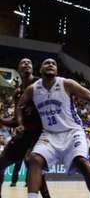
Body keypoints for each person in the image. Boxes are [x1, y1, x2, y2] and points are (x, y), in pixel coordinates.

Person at [17, 58, 90, 198]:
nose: (50, 65)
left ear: (57, 70)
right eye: (46, 63)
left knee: (82, 162)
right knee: (34, 159)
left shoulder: (66, 83)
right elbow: (19, 106)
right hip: (49, 134)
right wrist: (20, 123)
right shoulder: (33, 89)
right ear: (40, 70)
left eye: (53, 63)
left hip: (72, 132)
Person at [0, 58, 51, 198]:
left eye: (29, 62)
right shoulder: (18, 93)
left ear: (33, 68)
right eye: (23, 62)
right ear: (18, 69)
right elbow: (16, 120)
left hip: (40, 134)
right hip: (24, 134)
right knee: (1, 162)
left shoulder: (41, 84)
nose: (27, 63)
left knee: (32, 162)